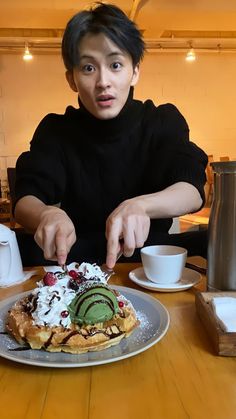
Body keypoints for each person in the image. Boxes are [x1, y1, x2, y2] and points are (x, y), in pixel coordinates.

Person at [14, 3, 208, 268]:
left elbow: (192, 190)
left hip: (147, 264)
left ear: (134, 71)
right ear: (71, 79)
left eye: (115, 65)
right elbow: (25, 198)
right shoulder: (56, 130)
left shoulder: (161, 121)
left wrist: (142, 205)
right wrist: (46, 213)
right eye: (88, 68)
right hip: (74, 264)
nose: (103, 81)